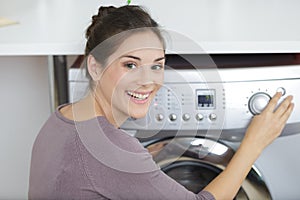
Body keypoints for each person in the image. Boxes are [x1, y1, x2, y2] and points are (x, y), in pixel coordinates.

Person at [28, 5, 295, 200]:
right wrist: (254, 143)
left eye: (157, 66)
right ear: (95, 68)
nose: (147, 81)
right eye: (130, 64)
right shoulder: (112, 153)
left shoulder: (61, 119)